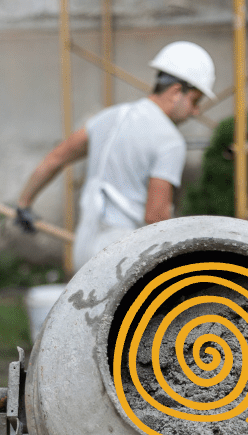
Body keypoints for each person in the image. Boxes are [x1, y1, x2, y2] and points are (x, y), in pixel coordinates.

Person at [15, 41, 216, 270]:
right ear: (176, 91)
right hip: (125, 253)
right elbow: (156, 216)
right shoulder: (170, 140)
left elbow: (55, 159)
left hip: (83, 248)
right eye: (195, 101)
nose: (196, 111)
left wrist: (24, 204)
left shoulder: (108, 117)